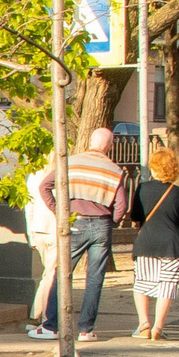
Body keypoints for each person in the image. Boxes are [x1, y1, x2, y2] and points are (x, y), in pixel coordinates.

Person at [35, 126, 129, 342]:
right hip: (101, 225)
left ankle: (51, 326)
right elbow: (122, 206)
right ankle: (86, 329)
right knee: (95, 279)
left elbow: (44, 186)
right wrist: (110, 221)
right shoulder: (115, 170)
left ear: (91, 141)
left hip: (74, 222)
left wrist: (60, 211)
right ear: (110, 146)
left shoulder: (71, 162)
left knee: (63, 274)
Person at [127, 142, 179, 341]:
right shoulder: (178, 193)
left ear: (153, 167)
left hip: (147, 243)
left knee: (142, 283)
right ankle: (158, 327)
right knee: (167, 286)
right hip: (172, 245)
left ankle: (144, 324)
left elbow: (135, 215)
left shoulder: (143, 189)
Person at [24, 157, 60, 339]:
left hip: (38, 228)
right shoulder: (61, 175)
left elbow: (28, 205)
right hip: (54, 229)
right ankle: (41, 314)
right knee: (51, 275)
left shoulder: (34, 175)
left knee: (48, 273)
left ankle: (39, 314)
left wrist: (30, 233)